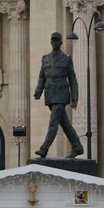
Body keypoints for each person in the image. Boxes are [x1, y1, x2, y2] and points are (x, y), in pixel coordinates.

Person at [33, 31, 84, 159]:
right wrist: (38, 91)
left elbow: (73, 80)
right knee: (65, 124)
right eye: (53, 40)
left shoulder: (66, 59)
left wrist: (75, 98)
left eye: (57, 40)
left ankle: (44, 149)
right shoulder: (45, 58)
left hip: (61, 95)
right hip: (50, 95)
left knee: (53, 122)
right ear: (51, 42)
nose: (55, 42)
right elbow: (42, 77)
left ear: (61, 42)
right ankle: (77, 146)